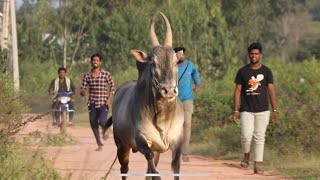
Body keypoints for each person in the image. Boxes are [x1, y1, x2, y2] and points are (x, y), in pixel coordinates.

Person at [233, 42, 277, 174]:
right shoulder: (242, 71)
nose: (254, 56)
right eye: (252, 54)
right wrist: (235, 110)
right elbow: (237, 91)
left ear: (261, 55)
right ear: (248, 55)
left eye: (256, 54)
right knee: (246, 136)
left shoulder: (267, 71)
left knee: (259, 136)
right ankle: (246, 155)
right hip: (246, 109)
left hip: (263, 109)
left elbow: (271, 91)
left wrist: (274, 110)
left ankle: (257, 164)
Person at [80, 53, 116, 151]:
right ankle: (99, 144)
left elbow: (112, 87)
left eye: (97, 60)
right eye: (93, 60)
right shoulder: (87, 76)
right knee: (93, 123)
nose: (95, 62)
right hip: (92, 103)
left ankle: (106, 129)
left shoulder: (105, 74)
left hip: (103, 102)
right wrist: (83, 92)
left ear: (100, 62)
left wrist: (109, 99)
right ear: (91, 62)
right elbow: (82, 88)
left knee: (102, 121)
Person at [174, 47, 201, 162]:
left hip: (187, 99)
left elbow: (195, 73)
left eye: (183, 54)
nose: (181, 56)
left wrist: (197, 84)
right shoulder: (171, 66)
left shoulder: (190, 65)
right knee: (176, 126)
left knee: (187, 124)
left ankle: (185, 152)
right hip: (174, 100)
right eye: (179, 54)